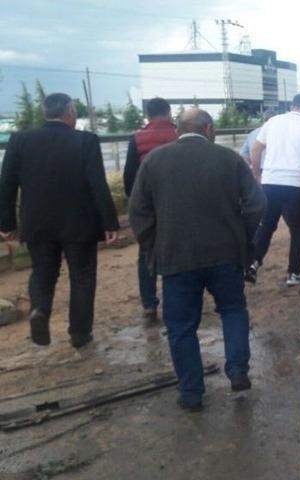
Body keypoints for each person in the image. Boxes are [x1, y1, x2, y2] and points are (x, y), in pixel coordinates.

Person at [129, 108, 266, 412]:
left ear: (179, 130)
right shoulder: (229, 159)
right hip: (226, 254)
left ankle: (191, 393)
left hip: (177, 258)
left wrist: (155, 245)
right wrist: (242, 237)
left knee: (180, 326)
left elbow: (137, 211)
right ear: (209, 128)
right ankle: (238, 370)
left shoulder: (154, 161)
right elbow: (257, 204)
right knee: (232, 310)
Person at [0, 93, 119, 348]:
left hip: (37, 222)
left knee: (43, 272)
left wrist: (6, 223)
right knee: (83, 276)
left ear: (45, 113)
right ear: (70, 112)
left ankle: (40, 310)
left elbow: (6, 185)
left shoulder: (20, 140)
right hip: (80, 223)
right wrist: (110, 223)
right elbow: (98, 185)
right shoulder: (86, 140)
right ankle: (79, 332)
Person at [246, 94, 300, 286]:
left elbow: (255, 149)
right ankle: (294, 273)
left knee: (267, 226)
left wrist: (257, 173)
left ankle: (253, 262)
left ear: (292, 106)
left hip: (270, 184)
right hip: (297, 187)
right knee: (297, 230)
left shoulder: (272, 122)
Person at [123, 97, 177, 325]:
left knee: (146, 252)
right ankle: (174, 301)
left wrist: (137, 204)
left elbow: (129, 177)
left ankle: (148, 304)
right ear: (169, 112)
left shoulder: (137, 138)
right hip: (178, 203)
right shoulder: (178, 135)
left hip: (149, 204)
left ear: (147, 114)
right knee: (178, 252)